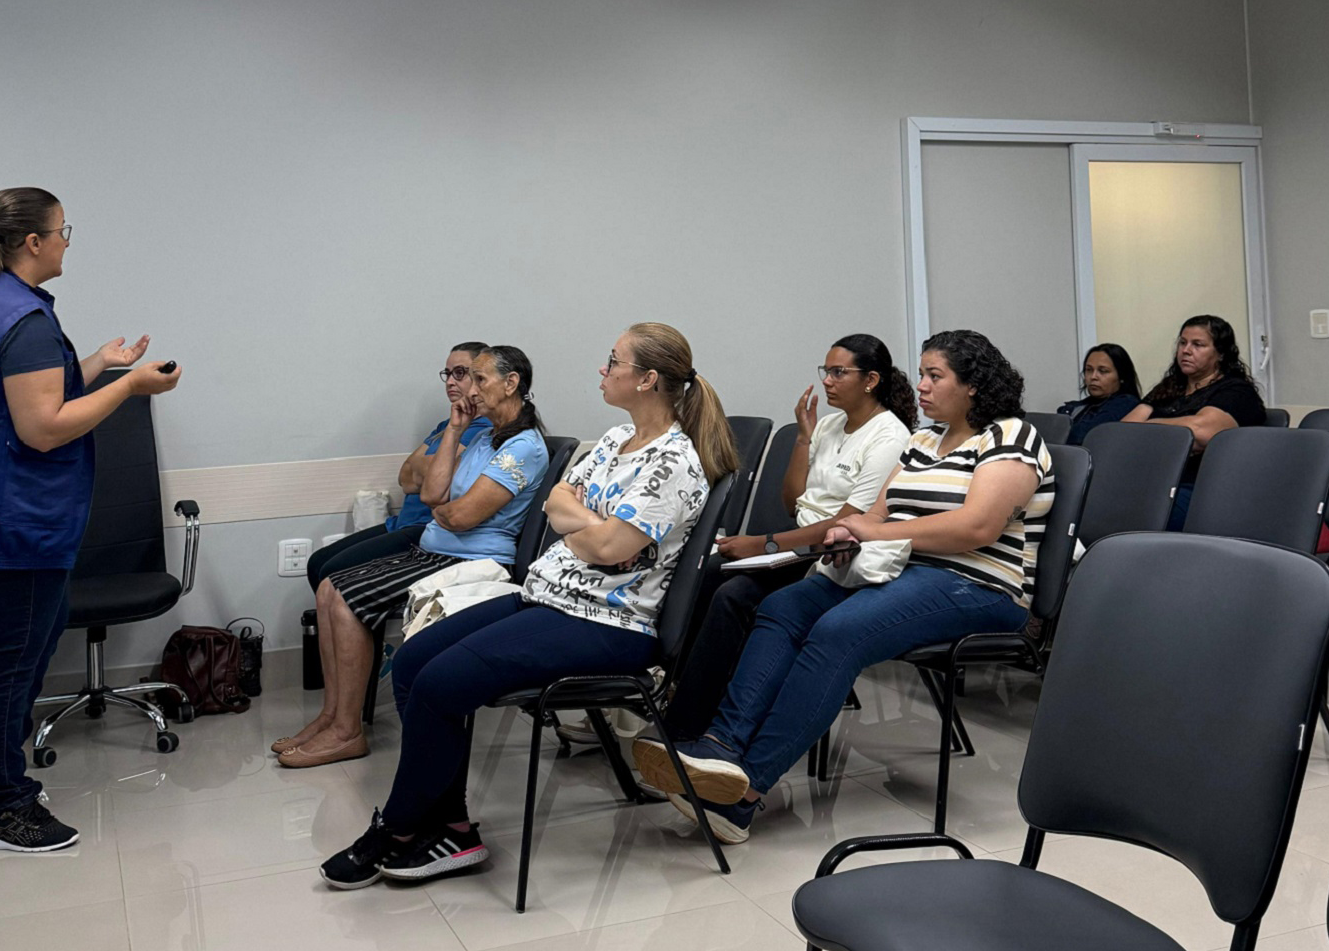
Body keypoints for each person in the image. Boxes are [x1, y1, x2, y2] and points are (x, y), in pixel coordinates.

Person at [317, 322, 738, 889]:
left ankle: (397, 829)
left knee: (442, 685)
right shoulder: (614, 441)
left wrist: (587, 528)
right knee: (415, 661)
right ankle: (450, 826)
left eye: (612, 362)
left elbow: (612, 547)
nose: (602, 369)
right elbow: (560, 505)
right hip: (548, 597)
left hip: (609, 622)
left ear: (647, 379)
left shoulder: (675, 463)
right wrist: (588, 525)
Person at [634, 330, 1054, 845]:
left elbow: (978, 527)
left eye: (934, 375)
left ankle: (743, 795)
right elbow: (878, 509)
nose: (919, 384)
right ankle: (721, 747)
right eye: (921, 373)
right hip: (901, 570)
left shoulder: (1010, 436)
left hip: (978, 586)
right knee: (785, 606)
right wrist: (847, 530)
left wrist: (874, 531)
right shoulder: (925, 439)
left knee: (837, 631)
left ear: (973, 386)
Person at [0, 188, 182, 852]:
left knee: (13, 659)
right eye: (64, 230)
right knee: (12, 667)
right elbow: (41, 430)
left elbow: (24, 395)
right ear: (32, 243)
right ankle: (4, 806)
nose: (68, 240)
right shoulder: (25, 320)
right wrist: (127, 387)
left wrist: (93, 364)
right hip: (19, 522)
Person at [273, 346, 549, 768]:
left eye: (480, 379)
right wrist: (455, 431)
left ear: (511, 384)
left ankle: (348, 733)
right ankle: (331, 717)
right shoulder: (483, 437)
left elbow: (459, 516)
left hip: (471, 560)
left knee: (347, 600)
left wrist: (445, 511)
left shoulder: (524, 447)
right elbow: (430, 494)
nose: (469, 390)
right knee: (329, 587)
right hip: (436, 548)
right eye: (466, 378)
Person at [660, 334, 917, 741]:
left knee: (734, 597)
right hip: (797, 544)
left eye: (838, 373)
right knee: (704, 573)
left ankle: (687, 723)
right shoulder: (831, 425)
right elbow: (794, 500)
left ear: (871, 380)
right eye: (826, 372)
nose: (828, 381)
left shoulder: (890, 437)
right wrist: (803, 437)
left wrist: (764, 544)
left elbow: (849, 522)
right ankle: (674, 692)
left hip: (834, 555)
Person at [304, 343, 492, 587]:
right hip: (399, 524)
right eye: (447, 374)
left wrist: (426, 470)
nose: (449, 382)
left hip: (427, 530)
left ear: (481, 378)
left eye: (459, 373)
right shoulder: (446, 426)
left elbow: (438, 485)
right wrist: (432, 468)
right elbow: (405, 476)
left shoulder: (484, 430)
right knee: (317, 562)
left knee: (331, 572)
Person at [1122, 315, 1265, 530]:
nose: (1186, 351)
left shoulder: (1235, 391)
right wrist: (1166, 429)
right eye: (1182, 343)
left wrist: (1148, 428)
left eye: (1198, 345)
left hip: (1204, 490)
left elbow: (1198, 434)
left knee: (1130, 508)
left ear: (1221, 354)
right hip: (1158, 481)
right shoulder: (1170, 388)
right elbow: (1122, 432)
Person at [1055, 343, 1141, 446]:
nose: (1093, 377)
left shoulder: (1126, 403)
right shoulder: (1078, 406)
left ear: (1121, 376)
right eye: (1089, 370)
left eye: (1103, 371)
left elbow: (1083, 436)